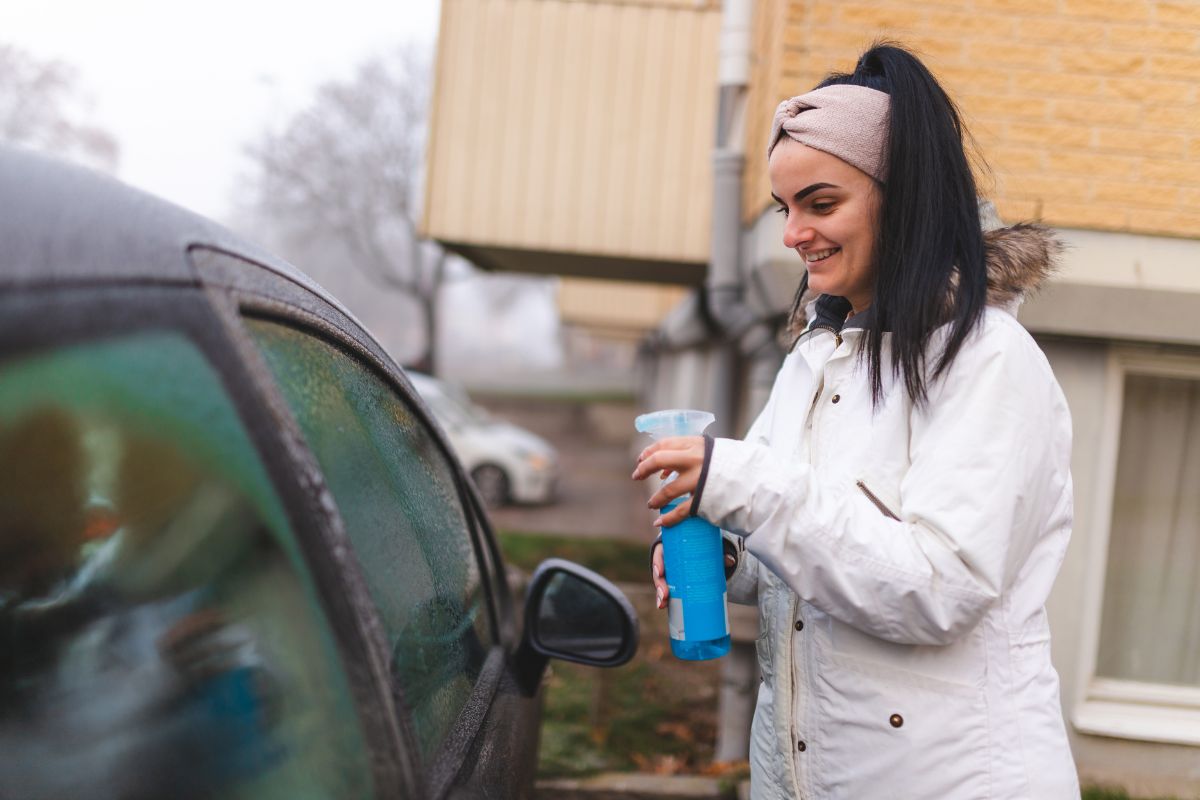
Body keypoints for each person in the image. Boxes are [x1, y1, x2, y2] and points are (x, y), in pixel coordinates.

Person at [632, 43, 1079, 799]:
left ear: (902, 200)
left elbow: (940, 586)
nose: (792, 234)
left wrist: (741, 484)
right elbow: (821, 555)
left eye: (821, 202)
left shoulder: (988, 359)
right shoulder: (815, 356)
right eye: (785, 207)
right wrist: (735, 567)